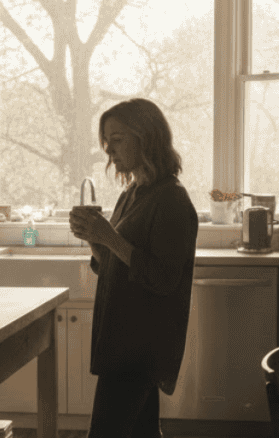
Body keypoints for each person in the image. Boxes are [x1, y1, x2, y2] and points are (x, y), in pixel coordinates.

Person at [69, 98, 198, 438]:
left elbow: (163, 277)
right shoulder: (133, 193)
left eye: (118, 139)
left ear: (147, 138)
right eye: (106, 141)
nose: (109, 150)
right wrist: (94, 240)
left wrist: (109, 238)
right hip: (123, 337)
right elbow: (114, 264)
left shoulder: (170, 199)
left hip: (139, 346)